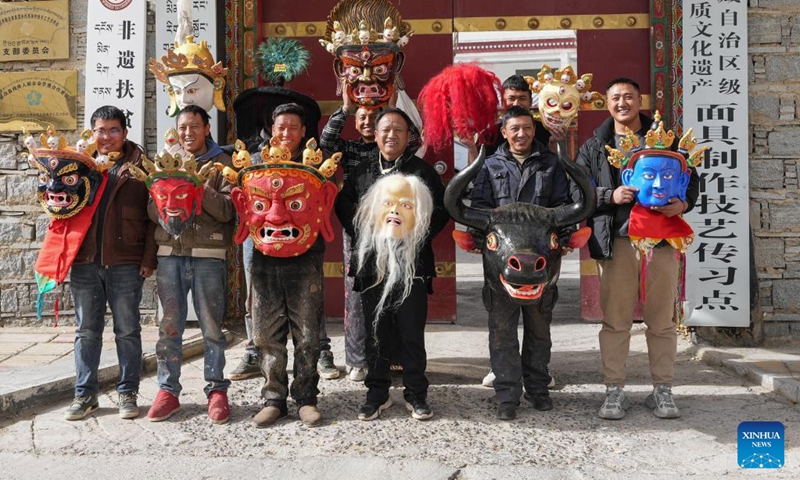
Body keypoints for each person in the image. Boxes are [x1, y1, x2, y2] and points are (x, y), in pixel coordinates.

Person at [574, 78, 699, 420]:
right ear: (607, 103)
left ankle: (663, 390)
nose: (622, 102)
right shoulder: (594, 147)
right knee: (616, 321)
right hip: (618, 242)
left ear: (639, 100)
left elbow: (692, 179)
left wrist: (683, 204)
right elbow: (579, 189)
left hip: (661, 242)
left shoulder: (665, 140)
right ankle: (614, 390)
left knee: (662, 320)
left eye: (629, 96)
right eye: (615, 97)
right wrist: (607, 196)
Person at [335, 108, 449, 421]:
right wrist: (366, 232)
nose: (390, 135)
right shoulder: (364, 171)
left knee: (412, 332)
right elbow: (344, 204)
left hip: (412, 265)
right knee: (376, 331)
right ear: (376, 133)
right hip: (374, 266)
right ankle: (377, 392)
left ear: (408, 135)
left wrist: (418, 233)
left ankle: (416, 393)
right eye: (385, 129)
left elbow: (441, 210)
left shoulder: (422, 172)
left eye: (398, 129)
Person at [470, 106, 571, 420]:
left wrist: (563, 237)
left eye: (527, 127)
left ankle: (538, 389)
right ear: (504, 132)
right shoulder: (488, 166)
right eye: (514, 128)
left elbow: (565, 206)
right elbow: (479, 209)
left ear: (533, 129)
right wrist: (478, 238)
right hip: (502, 267)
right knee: (501, 331)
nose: (521, 134)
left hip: (541, 263)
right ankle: (507, 395)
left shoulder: (552, 164)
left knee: (539, 330)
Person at [64, 106, 157, 421]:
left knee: (128, 330)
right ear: (92, 133)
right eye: (100, 130)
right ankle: (84, 394)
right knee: (86, 330)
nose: (106, 137)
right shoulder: (77, 166)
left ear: (125, 133)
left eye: (113, 130)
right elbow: (59, 210)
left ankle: (127, 391)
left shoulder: (141, 168)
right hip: (85, 262)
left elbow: (152, 220)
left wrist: (148, 259)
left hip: (126, 263)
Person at [145, 105, 234, 424]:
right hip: (170, 254)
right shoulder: (165, 163)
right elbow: (152, 210)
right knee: (169, 327)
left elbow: (227, 212)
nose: (187, 133)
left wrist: (198, 189)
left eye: (194, 126)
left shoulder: (223, 165)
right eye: (182, 127)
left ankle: (216, 390)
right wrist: (169, 201)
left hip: (208, 256)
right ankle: (167, 391)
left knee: (212, 328)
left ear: (207, 128)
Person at [251, 103, 330, 427]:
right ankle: (274, 398)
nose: (286, 133)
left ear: (303, 133)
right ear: (272, 129)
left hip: (306, 257)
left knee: (307, 332)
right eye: (280, 127)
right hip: (265, 259)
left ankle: (306, 397)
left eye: (293, 127)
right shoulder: (256, 165)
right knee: (266, 333)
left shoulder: (315, 166)